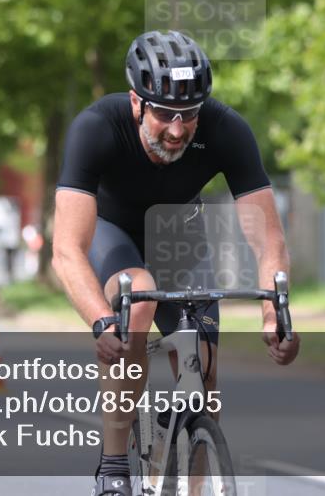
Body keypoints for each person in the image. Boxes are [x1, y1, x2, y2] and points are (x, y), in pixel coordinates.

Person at [52, 30, 301, 496]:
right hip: (113, 236)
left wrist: (274, 313)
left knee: (203, 374)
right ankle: (113, 466)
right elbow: (66, 248)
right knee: (139, 295)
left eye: (189, 115)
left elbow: (268, 238)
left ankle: (194, 484)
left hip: (179, 237)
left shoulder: (226, 129)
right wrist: (100, 321)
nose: (178, 129)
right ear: (136, 102)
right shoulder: (97, 127)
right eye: (165, 113)